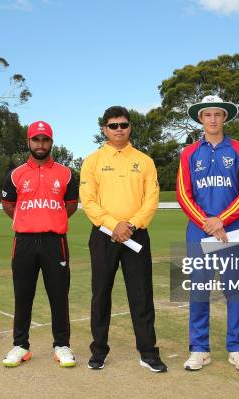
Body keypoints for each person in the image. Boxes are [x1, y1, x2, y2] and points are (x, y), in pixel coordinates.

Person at [79, 106, 167, 373]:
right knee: (101, 295)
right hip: (104, 235)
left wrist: (130, 224)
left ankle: (148, 352)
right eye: (113, 125)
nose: (119, 129)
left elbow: (151, 200)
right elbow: (89, 201)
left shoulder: (145, 161)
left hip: (136, 234)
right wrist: (113, 225)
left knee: (141, 296)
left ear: (130, 127)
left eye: (124, 125)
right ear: (104, 128)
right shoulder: (92, 161)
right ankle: (99, 352)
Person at [176, 95, 239, 372]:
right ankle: (199, 349)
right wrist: (207, 222)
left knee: (235, 292)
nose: (212, 119)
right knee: (199, 291)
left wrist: (222, 220)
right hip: (199, 231)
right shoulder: (188, 153)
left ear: (225, 118)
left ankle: (238, 349)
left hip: (232, 230)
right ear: (200, 118)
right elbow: (183, 195)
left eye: (217, 115)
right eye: (207, 115)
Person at [1, 120, 79, 368]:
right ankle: (20, 345)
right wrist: (29, 220)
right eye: (36, 139)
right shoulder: (15, 174)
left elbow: (71, 205)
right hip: (24, 241)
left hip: (55, 241)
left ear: (51, 142)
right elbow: (8, 205)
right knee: (23, 294)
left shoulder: (66, 173)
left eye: (45, 140)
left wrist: (51, 219)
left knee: (59, 295)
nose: (41, 144)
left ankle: (62, 345)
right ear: (28, 142)